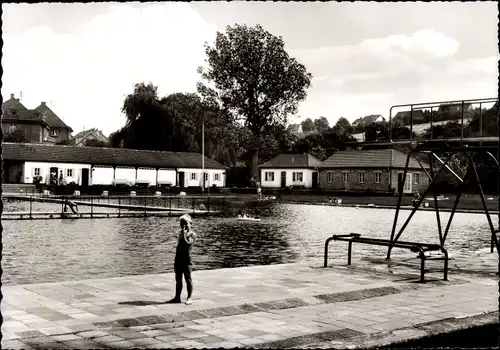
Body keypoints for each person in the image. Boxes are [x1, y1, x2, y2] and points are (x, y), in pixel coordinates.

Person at [168, 214, 197, 305]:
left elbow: (187, 244)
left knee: (188, 278)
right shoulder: (181, 233)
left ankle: (189, 297)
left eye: (185, 223)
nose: (183, 226)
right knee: (178, 278)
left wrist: (184, 235)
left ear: (190, 224)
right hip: (178, 259)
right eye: (181, 224)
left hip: (186, 259)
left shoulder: (192, 234)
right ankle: (177, 297)